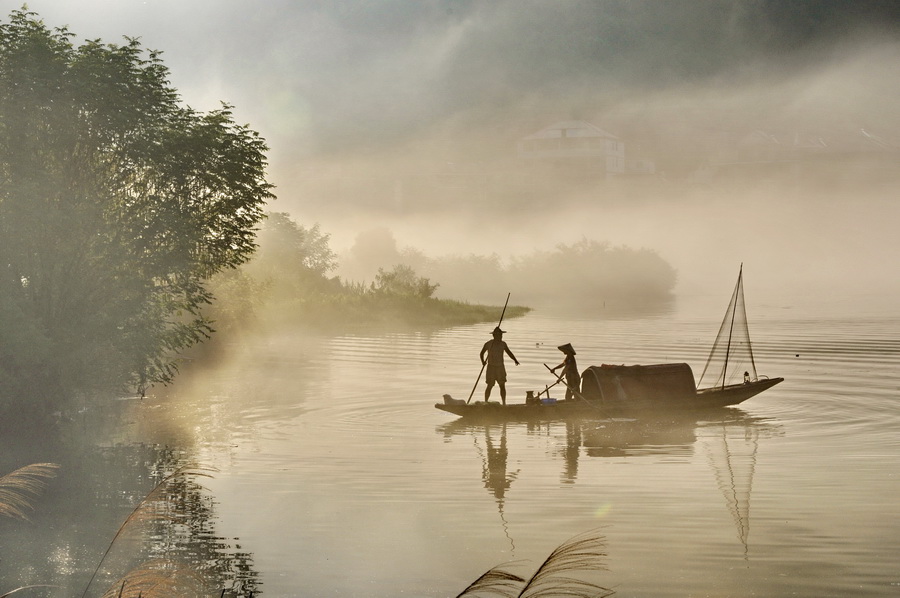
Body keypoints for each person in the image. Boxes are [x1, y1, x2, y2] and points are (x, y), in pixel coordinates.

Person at [480, 326, 520, 405]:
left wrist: (515, 360)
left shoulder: (503, 344)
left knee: (502, 386)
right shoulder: (489, 344)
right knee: (489, 385)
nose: (500, 337)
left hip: (500, 367)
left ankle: (504, 403)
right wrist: (483, 362)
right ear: (494, 336)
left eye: (501, 335)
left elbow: (509, 352)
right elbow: (481, 353)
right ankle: (486, 402)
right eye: (499, 335)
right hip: (491, 367)